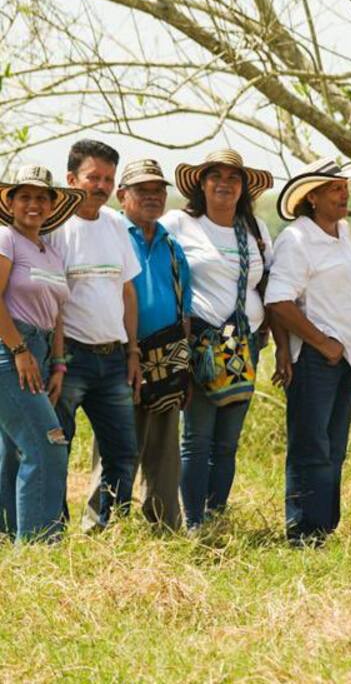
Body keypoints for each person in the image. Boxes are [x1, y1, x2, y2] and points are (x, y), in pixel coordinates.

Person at [162, 149, 275, 529]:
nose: (225, 183)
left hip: (245, 346)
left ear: (244, 187)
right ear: (201, 183)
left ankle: (215, 516)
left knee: (228, 440)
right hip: (202, 346)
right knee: (197, 436)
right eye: (216, 175)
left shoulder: (255, 229)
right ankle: (193, 521)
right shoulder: (180, 223)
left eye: (233, 177)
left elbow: (269, 283)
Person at [267, 158, 351, 543]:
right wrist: (319, 342)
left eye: (344, 187)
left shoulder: (342, 232)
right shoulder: (297, 239)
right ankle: (302, 530)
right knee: (311, 445)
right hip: (315, 356)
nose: (344, 195)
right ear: (312, 198)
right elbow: (279, 300)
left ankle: (324, 527)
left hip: (343, 356)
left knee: (334, 445)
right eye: (335, 189)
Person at [94, 159, 193, 530]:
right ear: (122, 195)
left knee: (166, 449)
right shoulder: (110, 234)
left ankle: (165, 527)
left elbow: (184, 307)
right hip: (119, 353)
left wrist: (183, 364)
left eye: (158, 190)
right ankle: (104, 527)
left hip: (167, 356)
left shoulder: (172, 246)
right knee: (117, 443)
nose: (152, 197)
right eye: (142, 190)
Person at [51, 140, 143, 531]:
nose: (102, 186)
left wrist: (133, 350)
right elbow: (49, 299)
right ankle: (51, 527)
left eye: (108, 179)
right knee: (57, 446)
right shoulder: (56, 228)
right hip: (70, 356)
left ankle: (106, 528)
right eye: (94, 177)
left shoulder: (115, 225)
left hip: (113, 355)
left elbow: (127, 290)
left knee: (122, 451)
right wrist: (54, 359)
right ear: (72, 179)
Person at [0, 166, 81, 541]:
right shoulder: (6, 239)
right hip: (11, 348)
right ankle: (37, 544)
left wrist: (59, 364)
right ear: (11, 202)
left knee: (14, 450)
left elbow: (58, 313)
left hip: (44, 351)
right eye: (25, 197)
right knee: (48, 444)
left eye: (41, 198)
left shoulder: (49, 251)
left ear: (52, 205)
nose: (33, 204)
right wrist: (18, 349)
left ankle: (9, 534)